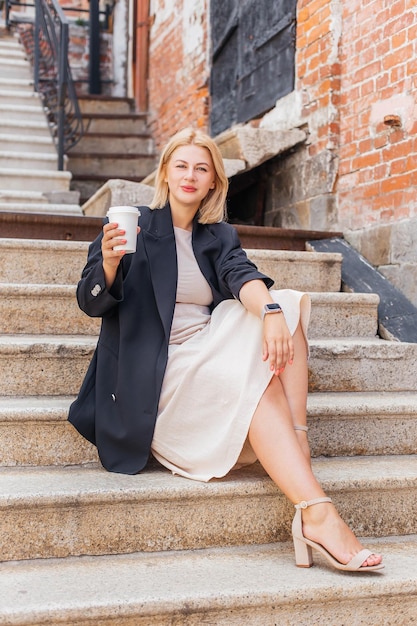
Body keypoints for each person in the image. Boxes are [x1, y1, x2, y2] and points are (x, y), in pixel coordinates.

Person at [69, 127, 383, 573]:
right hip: (158, 375)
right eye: (181, 165)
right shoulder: (130, 224)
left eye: (202, 168)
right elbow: (89, 302)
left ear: (214, 181)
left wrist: (271, 311)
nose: (191, 175)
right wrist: (109, 263)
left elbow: (241, 274)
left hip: (208, 349)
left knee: (282, 307)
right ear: (165, 172)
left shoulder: (215, 235)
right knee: (253, 375)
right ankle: (317, 509)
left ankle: (301, 457)